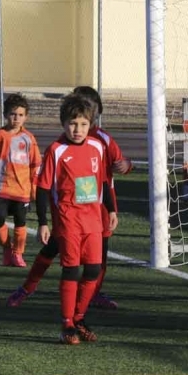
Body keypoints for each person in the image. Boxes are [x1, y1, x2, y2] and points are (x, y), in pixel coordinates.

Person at [6, 86, 132, 309]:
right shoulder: (60, 146)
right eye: (75, 116)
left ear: (95, 113)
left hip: (97, 210)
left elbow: (115, 166)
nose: (80, 122)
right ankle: (28, 287)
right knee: (51, 250)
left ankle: (91, 296)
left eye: (88, 113)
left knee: (98, 258)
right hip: (67, 213)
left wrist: (126, 166)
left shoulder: (102, 140)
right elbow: (46, 184)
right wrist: (45, 220)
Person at [34, 93, 117, 344]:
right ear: (63, 124)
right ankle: (66, 324)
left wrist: (111, 210)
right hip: (68, 220)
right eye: (72, 123)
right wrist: (43, 222)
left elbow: (103, 181)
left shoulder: (97, 147)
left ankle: (79, 318)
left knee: (93, 269)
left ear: (90, 124)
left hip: (93, 219)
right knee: (71, 270)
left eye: (83, 124)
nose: (77, 129)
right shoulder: (56, 151)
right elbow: (43, 188)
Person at [0, 93, 41, 268]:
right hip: (0, 187)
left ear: (26, 117)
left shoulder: (29, 138)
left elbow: (36, 164)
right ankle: (7, 248)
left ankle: (18, 254)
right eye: (13, 114)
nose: (17, 118)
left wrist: (34, 190)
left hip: (22, 190)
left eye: (21, 115)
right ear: (6, 115)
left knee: (20, 222)